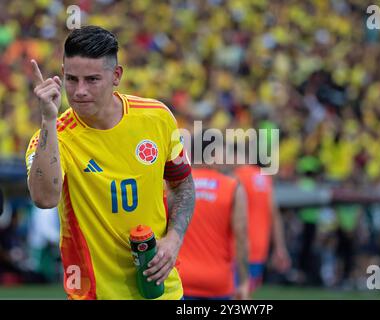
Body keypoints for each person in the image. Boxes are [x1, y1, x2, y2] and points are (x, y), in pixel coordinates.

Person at [25, 26, 195, 299]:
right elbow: (44, 199)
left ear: (116, 76)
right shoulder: (53, 137)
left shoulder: (157, 117)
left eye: (92, 79)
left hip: (162, 291)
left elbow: (182, 185)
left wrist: (174, 239)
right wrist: (47, 120)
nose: (79, 91)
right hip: (93, 293)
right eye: (72, 79)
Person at [177, 133, 250, 300]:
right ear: (213, 153)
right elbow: (242, 236)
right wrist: (244, 282)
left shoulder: (177, 185)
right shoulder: (232, 187)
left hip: (181, 279)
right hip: (218, 283)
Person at [234, 163, 291, 292]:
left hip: (237, 248)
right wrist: (280, 247)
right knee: (246, 293)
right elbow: (275, 215)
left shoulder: (237, 177)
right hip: (259, 250)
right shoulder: (265, 179)